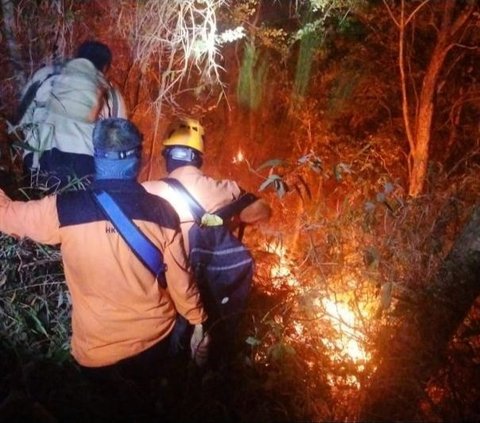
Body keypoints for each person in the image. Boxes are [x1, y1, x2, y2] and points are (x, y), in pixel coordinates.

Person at [0, 118, 209, 419]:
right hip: (154, 343)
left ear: (96, 155)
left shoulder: (64, 208)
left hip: (96, 356)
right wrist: (199, 321)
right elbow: (181, 282)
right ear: (138, 158)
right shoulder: (162, 212)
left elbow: (7, 216)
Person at [143, 117, 272, 366]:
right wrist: (224, 221)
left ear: (167, 156)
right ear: (199, 157)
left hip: (157, 291)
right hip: (200, 285)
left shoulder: (145, 190)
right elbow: (262, 210)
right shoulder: (218, 189)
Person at [15, 40, 127, 190]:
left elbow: (22, 116)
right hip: (84, 162)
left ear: (77, 57)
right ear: (105, 67)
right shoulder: (110, 92)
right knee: (76, 212)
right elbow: (117, 140)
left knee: (39, 210)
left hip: (39, 157)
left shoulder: (45, 75)